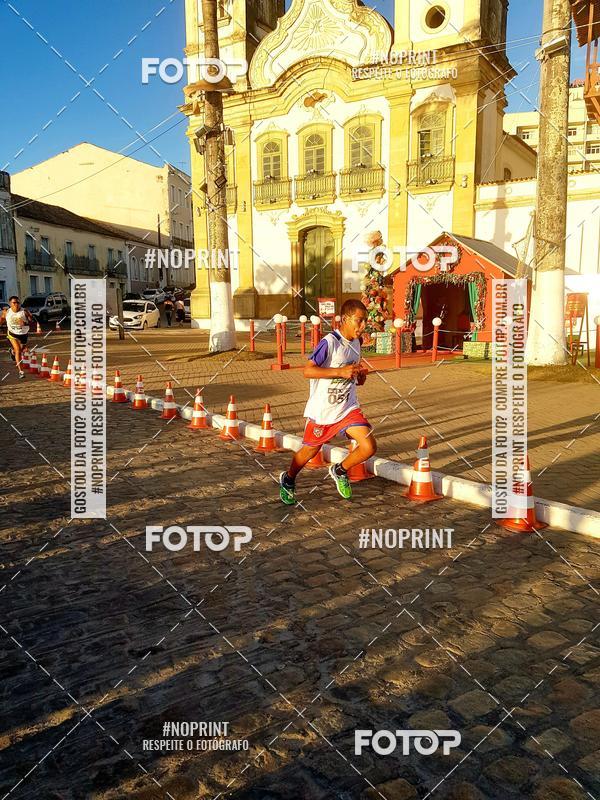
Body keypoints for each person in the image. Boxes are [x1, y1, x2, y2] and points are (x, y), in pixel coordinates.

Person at [279, 299, 376, 504]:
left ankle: (340, 470)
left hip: (347, 408)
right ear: (346, 319)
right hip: (323, 411)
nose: (363, 326)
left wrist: (359, 377)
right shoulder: (330, 342)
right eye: (359, 321)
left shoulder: (357, 343)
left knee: (369, 446)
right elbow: (307, 370)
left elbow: (351, 373)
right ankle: (288, 479)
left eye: (365, 321)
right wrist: (340, 372)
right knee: (309, 451)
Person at [0, 296, 34, 379]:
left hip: (23, 334)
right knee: (18, 350)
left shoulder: (24, 311)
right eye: (14, 303)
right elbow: (1, 320)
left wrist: (25, 323)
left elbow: (32, 323)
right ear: (10, 304)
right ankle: (21, 371)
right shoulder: (6, 312)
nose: (16, 304)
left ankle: (12, 351)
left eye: (18, 303)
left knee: (21, 350)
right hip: (12, 334)